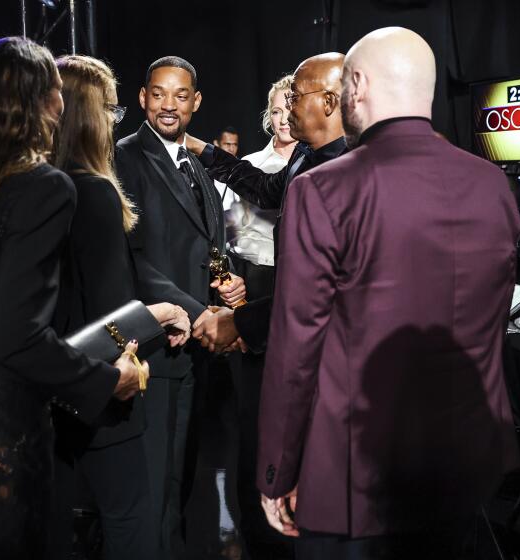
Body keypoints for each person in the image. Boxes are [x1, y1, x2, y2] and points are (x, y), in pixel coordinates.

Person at [257, 27, 520, 559]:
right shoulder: (494, 185)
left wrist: (277, 469)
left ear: (357, 86)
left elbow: (296, 347)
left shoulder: (322, 189)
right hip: (466, 465)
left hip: (355, 477)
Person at [0, 37, 144, 557]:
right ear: (36, 100)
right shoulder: (44, 187)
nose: (62, 104)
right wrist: (109, 379)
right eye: (56, 90)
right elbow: (17, 335)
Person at [50, 54, 190, 559]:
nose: (114, 122)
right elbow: (110, 319)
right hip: (106, 393)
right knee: (130, 523)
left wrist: (162, 312)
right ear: (89, 116)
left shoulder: (40, 186)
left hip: (52, 387)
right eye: (110, 109)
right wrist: (159, 320)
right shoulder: (94, 193)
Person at [114, 55, 245, 559]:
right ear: (143, 98)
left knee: (184, 475)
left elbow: (210, 242)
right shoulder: (124, 157)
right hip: (159, 343)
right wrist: (203, 313)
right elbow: (136, 258)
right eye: (160, 93)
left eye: (181, 95)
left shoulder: (195, 159)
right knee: (156, 482)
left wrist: (227, 282)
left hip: (200, 344)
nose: (170, 105)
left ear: (196, 102)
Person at [187, 53, 347, 355]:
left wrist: (241, 322)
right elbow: (263, 189)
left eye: (295, 97)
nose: (288, 111)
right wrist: (204, 150)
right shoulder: (305, 154)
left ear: (328, 102)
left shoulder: (355, 173)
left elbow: (325, 290)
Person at [224, 75, 298, 560]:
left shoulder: (320, 161)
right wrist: (231, 285)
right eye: (275, 112)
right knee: (253, 414)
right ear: (266, 116)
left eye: (290, 110)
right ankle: (255, 527)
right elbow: (223, 238)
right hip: (256, 291)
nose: (283, 120)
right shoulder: (249, 167)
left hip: (295, 292)